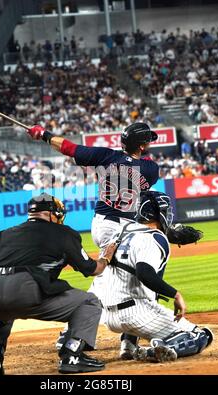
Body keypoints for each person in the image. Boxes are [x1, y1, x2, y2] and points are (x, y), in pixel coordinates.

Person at [27, 122, 160, 356]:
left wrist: (44, 135)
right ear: (141, 145)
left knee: (109, 275)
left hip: (100, 223)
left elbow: (68, 147)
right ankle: (125, 340)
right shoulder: (150, 169)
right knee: (136, 276)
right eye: (147, 140)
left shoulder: (105, 155)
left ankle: (79, 332)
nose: (149, 143)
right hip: (122, 226)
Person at [0, 193, 117, 375]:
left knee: (0, 312)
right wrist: (106, 257)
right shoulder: (64, 233)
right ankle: (72, 355)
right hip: (27, 290)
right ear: (51, 214)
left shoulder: (7, 232)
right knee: (89, 302)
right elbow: (92, 269)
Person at [94, 190, 213, 362]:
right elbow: (144, 273)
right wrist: (175, 294)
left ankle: (128, 344)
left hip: (108, 314)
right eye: (166, 211)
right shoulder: (156, 238)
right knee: (202, 336)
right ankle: (156, 349)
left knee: (129, 282)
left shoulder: (120, 230)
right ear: (158, 213)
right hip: (137, 314)